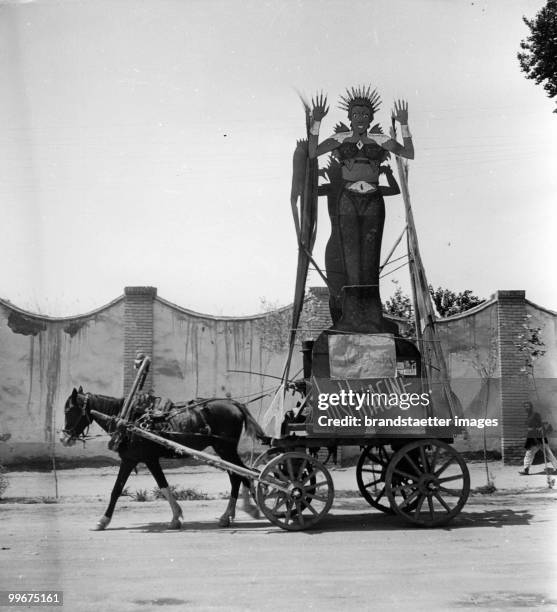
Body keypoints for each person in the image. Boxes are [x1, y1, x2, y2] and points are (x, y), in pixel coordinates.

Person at [308, 86, 413, 288]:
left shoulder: (380, 140)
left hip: (373, 200)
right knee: (350, 253)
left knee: (371, 254)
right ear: (349, 116)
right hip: (348, 199)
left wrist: (404, 124)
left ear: (371, 117)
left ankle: (370, 307)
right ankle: (351, 305)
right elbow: (313, 152)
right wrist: (317, 121)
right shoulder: (340, 139)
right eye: (356, 114)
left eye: (365, 114)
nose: (360, 118)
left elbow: (408, 153)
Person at [519, 401, 557, 475]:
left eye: (528, 406)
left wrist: (536, 429)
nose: (527, 408)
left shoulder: (536, 415)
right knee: (529, 454)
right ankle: (526, 470)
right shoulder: (528, 417)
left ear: (531, 407)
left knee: (548, 454)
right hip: (532, 439)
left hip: (539, 438)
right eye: (525, 406)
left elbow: (541, 425)